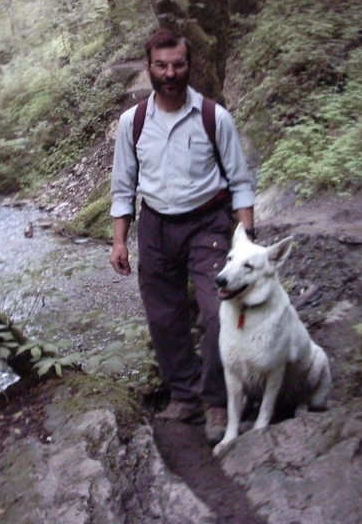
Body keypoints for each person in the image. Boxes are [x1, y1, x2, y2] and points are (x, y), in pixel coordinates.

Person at [109, 29, 256, 445]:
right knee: (164, 316)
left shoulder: (214, 117)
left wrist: (245, 238)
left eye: (177, 64)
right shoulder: (133, 122)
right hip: (154, 224)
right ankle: (185, 396)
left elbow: (240, 182)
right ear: (148, 67)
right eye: (161, 65)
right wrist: (120, 240)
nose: (170, 73)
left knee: (216, 311)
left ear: (189, 65)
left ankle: (215, 400)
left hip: (207, 223)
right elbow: (123, 186)